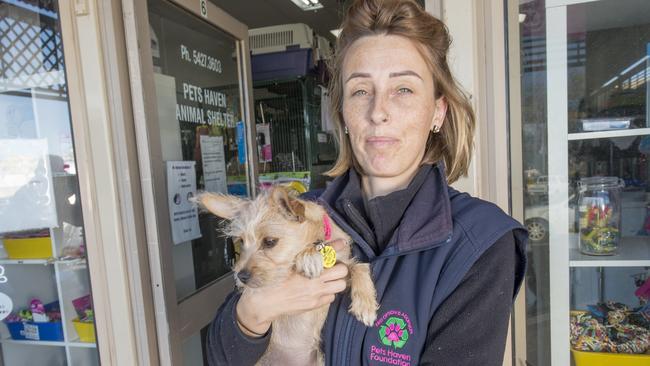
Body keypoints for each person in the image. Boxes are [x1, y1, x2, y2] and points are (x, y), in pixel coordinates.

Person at [206, 0, 527, 364]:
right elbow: (220, 357)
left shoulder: (480, 241)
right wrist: (251, 314)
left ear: (437, 111)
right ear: (342, 113)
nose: (378, 112)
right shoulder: (298, 219)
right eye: (360, 91)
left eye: (403, 89)